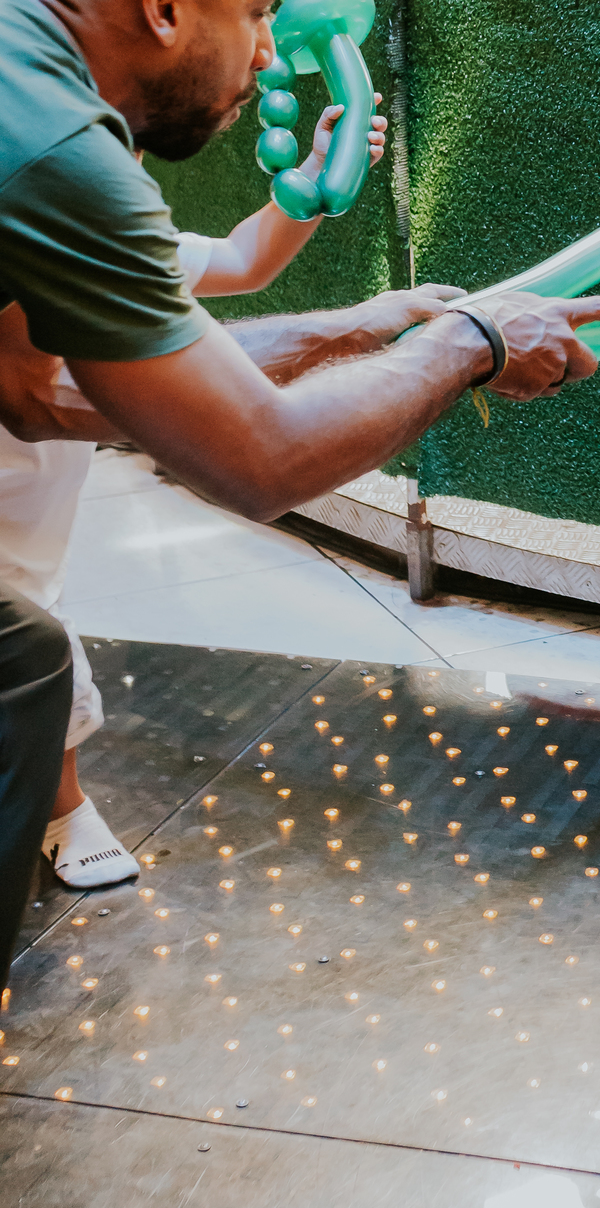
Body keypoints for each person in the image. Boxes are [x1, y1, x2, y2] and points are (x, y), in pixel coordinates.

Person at [0, 0, 600, 1208]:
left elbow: (42, 392)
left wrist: (372, 322)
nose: (271, 49)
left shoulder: (23, 71)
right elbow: (257, 461)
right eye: (258, 9)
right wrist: (472, 334)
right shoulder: (43, 141)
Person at [0, 95, 432, 892]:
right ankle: (57, 807)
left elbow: (243, 260)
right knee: (35, 650)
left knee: (42, 636)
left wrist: (309, 181)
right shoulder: (28, 238)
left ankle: (60, 810)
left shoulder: (110, 243)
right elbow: (50, 393)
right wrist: (374, 335)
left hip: (34, 527)